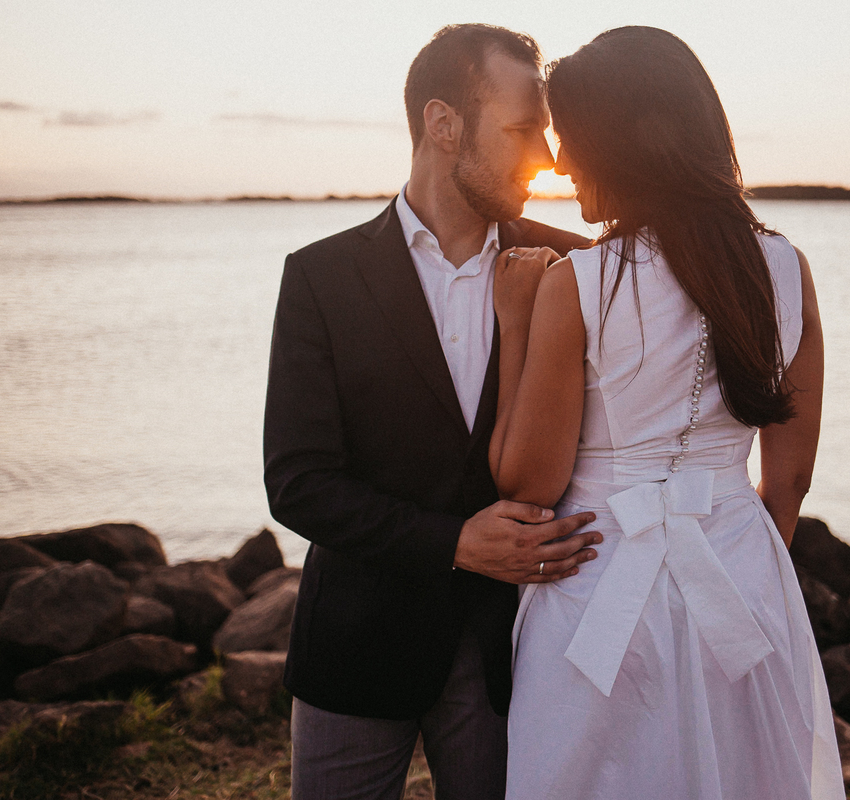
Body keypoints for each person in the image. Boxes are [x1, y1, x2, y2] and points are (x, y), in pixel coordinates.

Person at [489, 26, 845, 800]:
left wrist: (515, 328)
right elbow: (790, 478)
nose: (557, 161)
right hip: (744, 581)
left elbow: (528, 478)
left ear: (620, 145)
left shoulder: (576, 284)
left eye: (569, 139)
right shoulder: (786, 269)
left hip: (596, 593)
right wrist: (738, 564)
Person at [263, 24, 600, 800]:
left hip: (514, 652)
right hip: (356, 644)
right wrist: (455, 542)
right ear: (442, 123)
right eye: (522, 131)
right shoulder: (320, 276)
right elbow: (299, 482)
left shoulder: (572, 267)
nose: (544, 156)